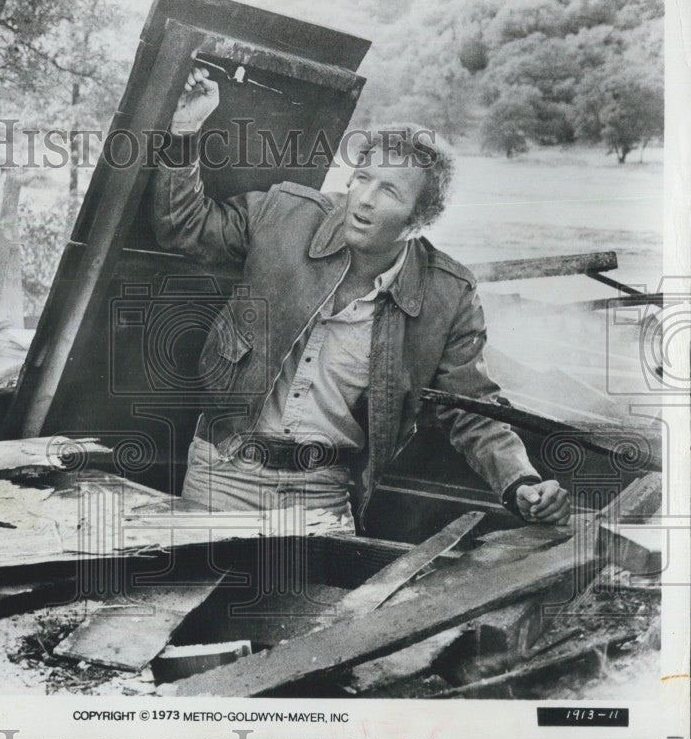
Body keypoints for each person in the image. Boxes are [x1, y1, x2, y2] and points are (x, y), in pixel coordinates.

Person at [150, 67, 570, 533]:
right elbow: (182, 224)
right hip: (220, 474)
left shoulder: (449, 294)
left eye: (388, 190)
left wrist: (521, 482)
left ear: (419, 219)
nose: (364, 200)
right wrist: (185, 129)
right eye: (363, 178)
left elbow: (474, 411)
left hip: (321, 494)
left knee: (318, 609)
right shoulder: (285, 213)